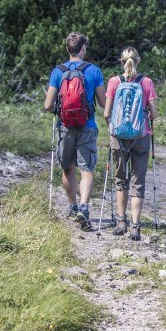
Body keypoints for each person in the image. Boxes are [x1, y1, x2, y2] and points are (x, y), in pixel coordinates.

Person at [44, 32, 106, 230]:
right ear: (83, 49)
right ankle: (84, 207)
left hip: (65, 126)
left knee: (67, 167)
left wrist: (60, 111)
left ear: (67, 49)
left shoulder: (58, 71)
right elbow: (104, 103)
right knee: (87, 169)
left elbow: (47, 105)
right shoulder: (94, 71)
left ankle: (72, 206)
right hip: (87, 126)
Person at [103, 47, 157, 241]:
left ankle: (120, 222)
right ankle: (135, 226)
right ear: (138, 61)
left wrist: (113, 129)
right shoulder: (146, 82)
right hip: (141, 137)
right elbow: (154, 113)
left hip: (118, 137)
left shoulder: (114, 82)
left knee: (120, 179)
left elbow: (107, 113)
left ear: (121, 61)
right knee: (138, 181)